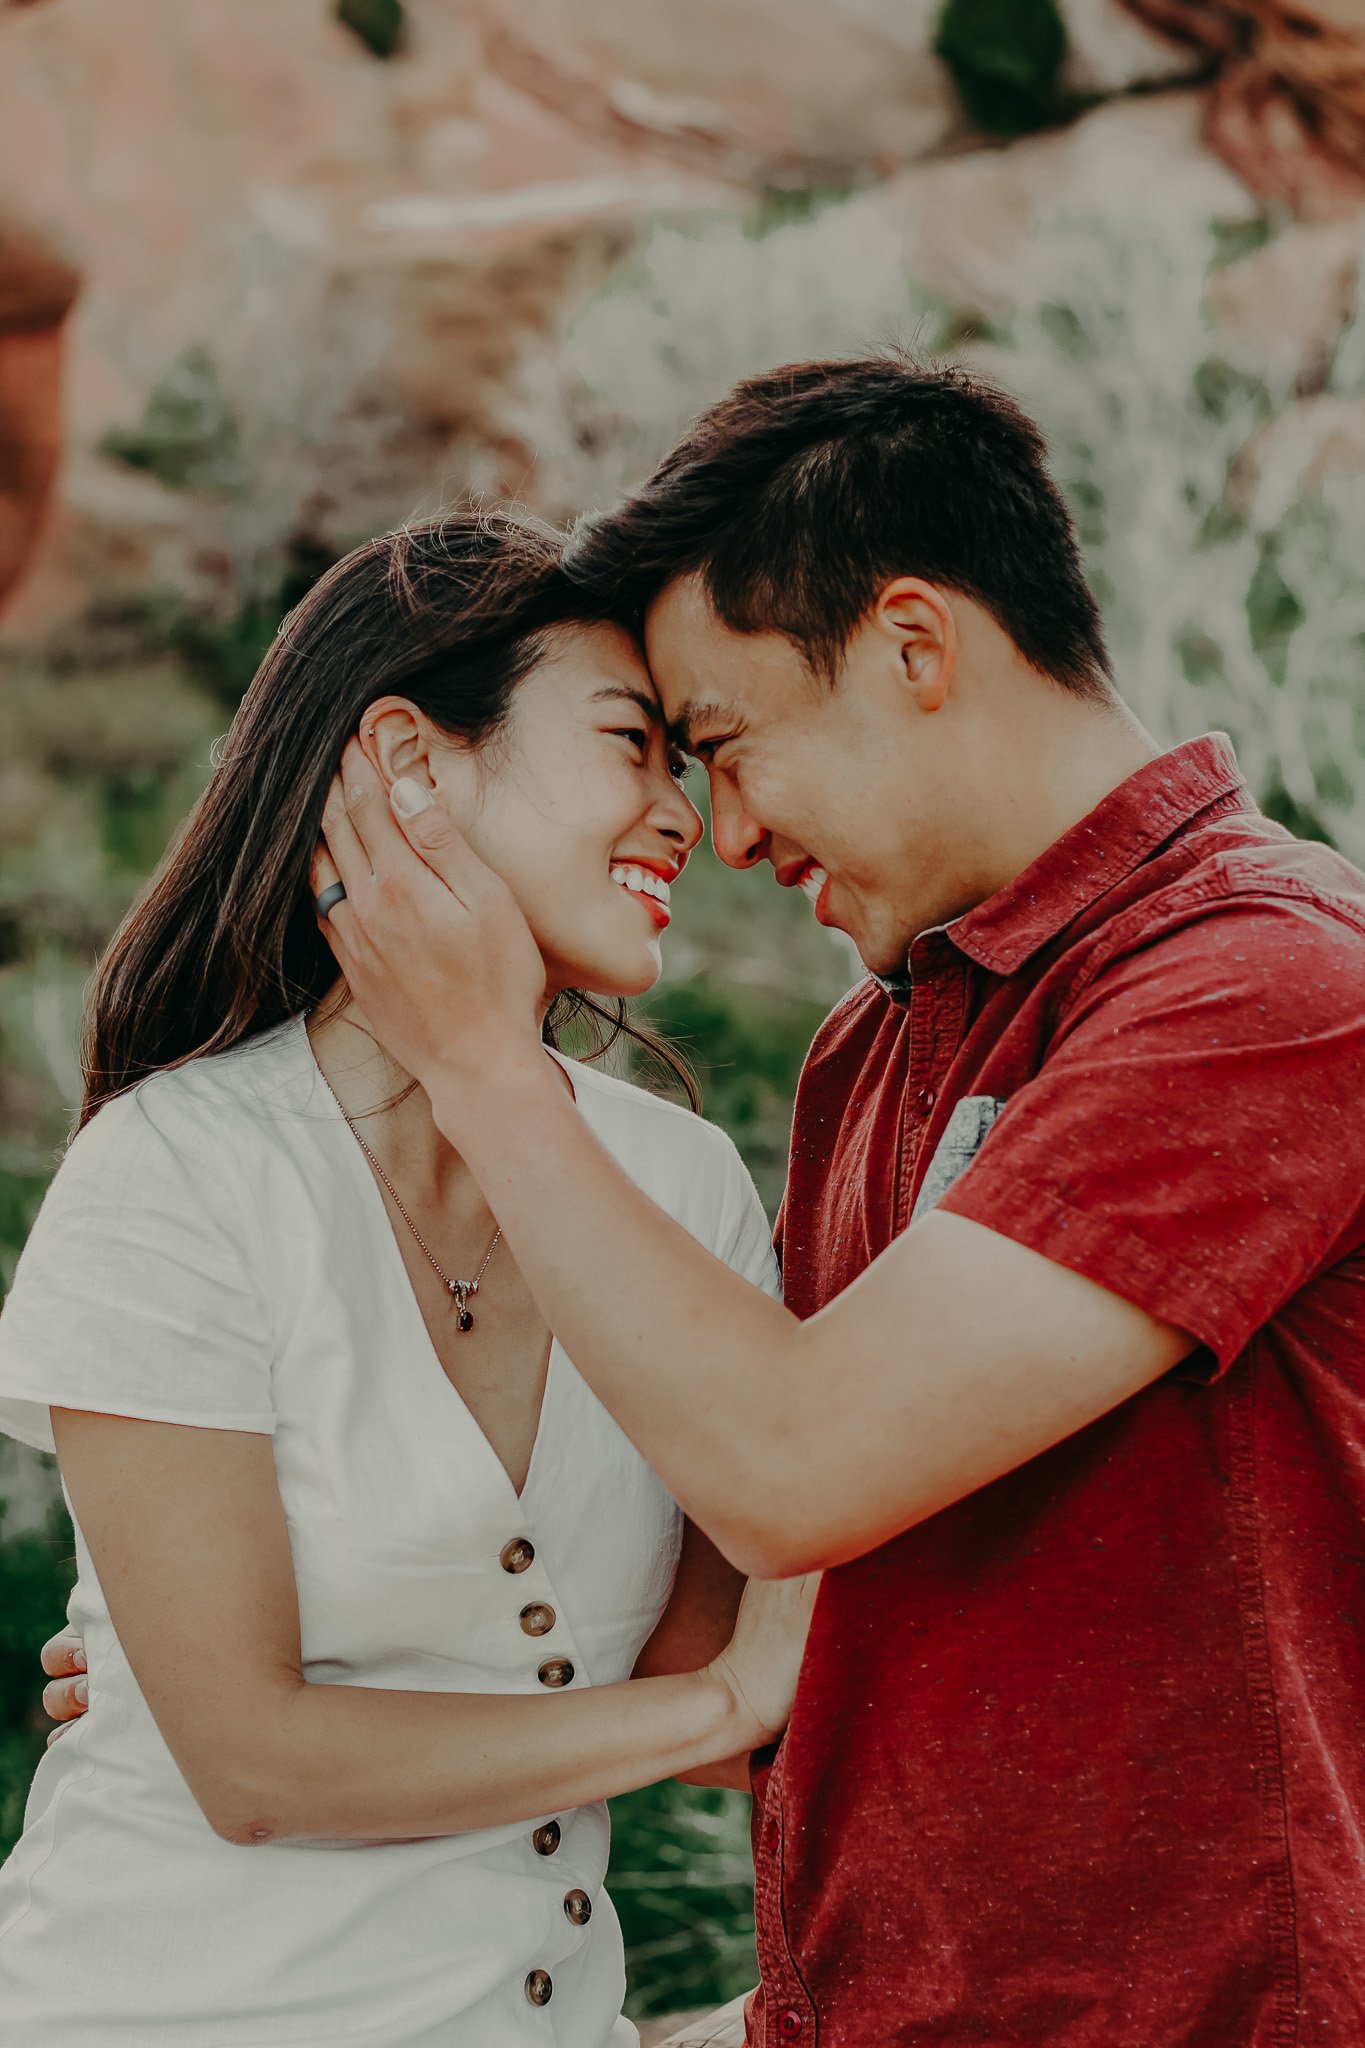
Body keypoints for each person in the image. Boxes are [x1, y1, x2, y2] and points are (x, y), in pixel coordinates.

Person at [281, 359, 1365, 2045]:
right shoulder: (875, 1046)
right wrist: (279, 1630)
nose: (719, 832)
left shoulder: (1266, 989)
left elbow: (792, 1469)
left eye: (722, 746)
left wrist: (482, 1063)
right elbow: (759, 1656)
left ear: (912, 645)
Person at [0, 512, 816, 2047]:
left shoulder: (680, 1182)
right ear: (409, 758)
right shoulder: (178, 1173)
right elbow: (253, 1768)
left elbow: (743, 1660)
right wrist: (714, 1708)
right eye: (631, 746)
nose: (683, 817)